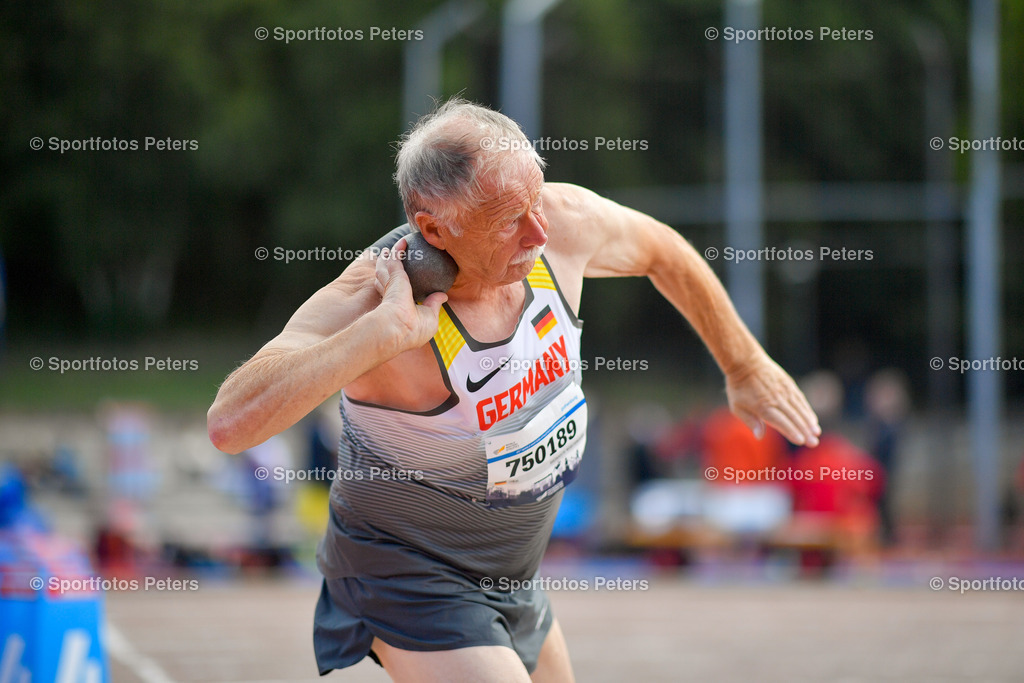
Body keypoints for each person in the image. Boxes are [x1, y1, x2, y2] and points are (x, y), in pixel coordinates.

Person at [207, 98, 821, 682]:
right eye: (508, 221)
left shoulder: (560, 226)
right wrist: (379, 335)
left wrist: (743, 365)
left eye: (536, 200)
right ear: (434, 227)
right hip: (405, 573)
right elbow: (231, 423)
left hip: (512, 574)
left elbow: (664, 250)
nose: (537, 231)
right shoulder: (374, 298)